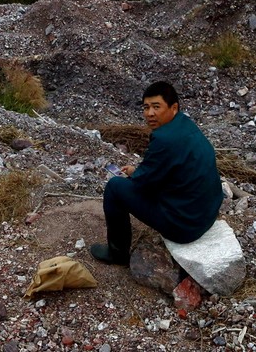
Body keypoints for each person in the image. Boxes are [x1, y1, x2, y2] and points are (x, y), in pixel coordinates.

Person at [89, 81, 224, 265]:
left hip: (185, 227)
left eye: (156, 107)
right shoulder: (186, 126)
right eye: (146, 107)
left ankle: (117, 253)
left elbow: (143, 185)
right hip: (207, 214)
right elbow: (168, 167)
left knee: (114, 187)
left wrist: (135, 177)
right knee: (135, 179)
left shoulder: (163, 138)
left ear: (173, 107)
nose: (149, 113)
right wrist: (137, 171)